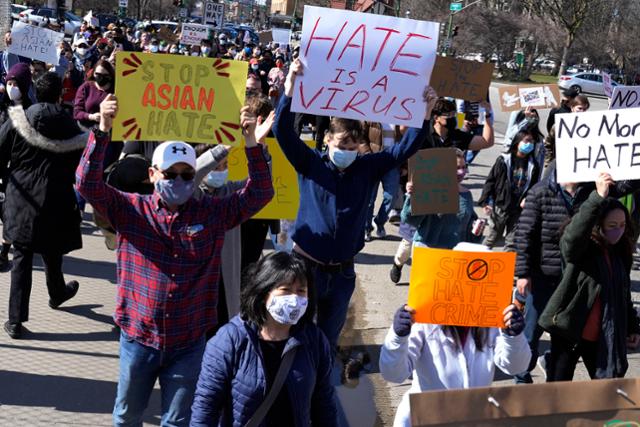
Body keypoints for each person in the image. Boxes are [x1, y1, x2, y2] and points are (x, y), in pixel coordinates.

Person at [75, 95, 274, 426]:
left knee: (178, 420)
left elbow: (259, 195)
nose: (179, 182)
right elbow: (86, 184)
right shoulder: (129, 209)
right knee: (126, 416)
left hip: (189, 342)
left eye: (186, 175)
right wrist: (103, 130)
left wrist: (252, 145)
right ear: (153, 174)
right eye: (171, 174)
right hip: (139, 338)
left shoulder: (212, 213)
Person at [272, 58, 436, 353]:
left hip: (342, 273)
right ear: (327, 144)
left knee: (327, 341)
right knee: (294, 337)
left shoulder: (367, 167)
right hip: (305, 269)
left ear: (358, 148)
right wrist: (290, 88)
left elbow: (403, 149)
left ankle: (320, 387)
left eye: (351, 148)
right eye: (339, 147)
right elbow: (283, 132)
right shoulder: (310, 164)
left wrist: (424, 114)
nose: (345, 152)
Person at [190, 251, 337, 426]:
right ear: (264, 292)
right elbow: (206, 407)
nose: (294, 299)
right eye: (286, 290)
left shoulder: (315, 340)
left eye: (301, 291)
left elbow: (324, 404)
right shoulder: (229, 339)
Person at [1, 72, 89, 339]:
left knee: (22, 256)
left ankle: (16, 320)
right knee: (53, 248)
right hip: (57, 196)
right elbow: (81, 164)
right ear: (60, 95)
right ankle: (57, 292)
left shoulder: (18, 119)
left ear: (35, 94)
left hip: (21, 196)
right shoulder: (73, 126)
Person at [539, 173, 640, 381]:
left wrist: (632, 326)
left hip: (603, 336)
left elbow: (624, 292)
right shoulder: (583, 249)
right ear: (598, 225)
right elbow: (573, 236)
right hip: (570, 330)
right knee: (558, 388)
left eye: (622, 225)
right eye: (612, 226)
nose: (618, 231)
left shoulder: (620, 252)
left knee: (607, 390)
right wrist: (598, 197)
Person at [380, 303, 530, 427]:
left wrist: (514, 337)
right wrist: (397, 337)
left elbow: (516, 367)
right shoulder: (422, 318)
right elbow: (393, 374)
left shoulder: (493, 318)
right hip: (423, 417)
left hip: (475, 417)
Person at [479, 129, 541, 250]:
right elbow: (491, 181)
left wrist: (528, 199)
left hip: (518, 209)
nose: (530, 144)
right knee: (493, 237)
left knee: (512, 242)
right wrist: (484, 201)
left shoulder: (534, 165)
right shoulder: (504, 160)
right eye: (527, 141)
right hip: (501, 206)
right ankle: (480, 261)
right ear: (517, 142)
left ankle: (506, 268)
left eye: (532, 142)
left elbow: (534, 186)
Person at [363, 122, 402, 241]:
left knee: (391, 197)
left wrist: (403, 164)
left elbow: (405, 142)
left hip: (392, 163)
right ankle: (366, 228)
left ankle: (379, 222)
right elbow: (361, 137)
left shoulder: (399, 115)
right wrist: (367, 155)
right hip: (373, 161)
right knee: (369, 199)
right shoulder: (370, 115)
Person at [421, 98, 494, 152]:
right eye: (449, 115)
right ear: (436, 118)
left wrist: (487, 114)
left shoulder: (457, 136)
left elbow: (487, 142)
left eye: (454, 114)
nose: (452, 117)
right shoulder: (424, 136)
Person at [544, 95, 589, 169]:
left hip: (579, 165)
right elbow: (548, 144)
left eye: (584, 109)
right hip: (559, 165)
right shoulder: (560, 124)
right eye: (579, 108)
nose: (582, 112)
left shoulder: (588, 126)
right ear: (572, 108)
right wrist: (548, 164)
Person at [73, 59, 115, 131]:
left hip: (110, 131)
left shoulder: (116, 89)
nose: (101, 78)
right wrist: (91, 116)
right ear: (93, 73)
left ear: (110, 75)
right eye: (97, 74)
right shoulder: (86, 87)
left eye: (105, 75)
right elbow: (77, 112)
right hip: (89, 131)